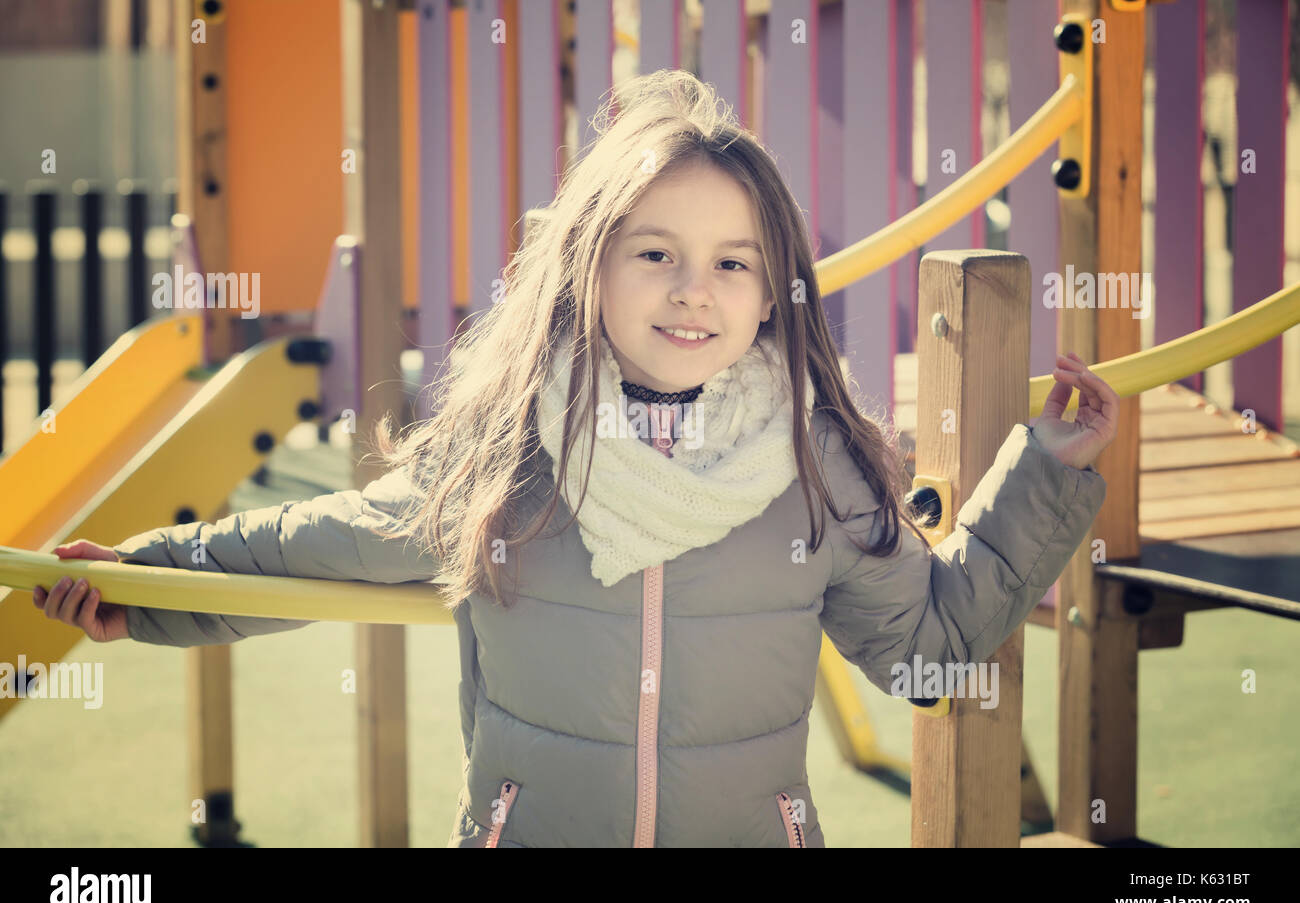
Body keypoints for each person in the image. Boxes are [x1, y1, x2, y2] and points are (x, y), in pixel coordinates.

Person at [33, 69, 1116, 847]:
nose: (694, 288)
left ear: (771, 289)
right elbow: (320, 551)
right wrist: (148, 587)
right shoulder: (512, 453)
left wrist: (1045, 471)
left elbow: (925, 638)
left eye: (732, 262)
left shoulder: (807, 462)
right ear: (589, 268)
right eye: (656, 254)